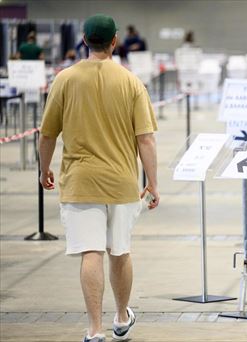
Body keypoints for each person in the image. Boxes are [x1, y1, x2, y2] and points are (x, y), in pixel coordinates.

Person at [38, 14, 159, 342]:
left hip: (80, 181)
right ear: (115, 41)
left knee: (90, 252)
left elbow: (47, 134)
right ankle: (121, 316)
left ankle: (94, 329)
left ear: (84, 40)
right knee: (119, 251)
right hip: (121, 183)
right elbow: (145, 138)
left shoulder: (65, 79)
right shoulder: (131, 81)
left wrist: (43, 167)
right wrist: (153, 182)